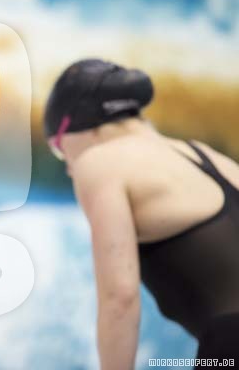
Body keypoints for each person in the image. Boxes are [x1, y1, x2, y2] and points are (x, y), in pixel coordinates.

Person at [43, 59, 239, 369]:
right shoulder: (209, 156)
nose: (68, 166)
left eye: (57, 147)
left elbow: (119, 298)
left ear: (75, 126)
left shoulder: (99, 161)